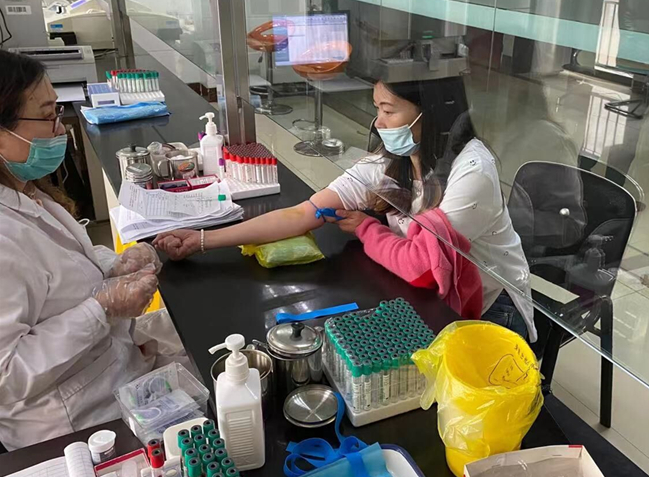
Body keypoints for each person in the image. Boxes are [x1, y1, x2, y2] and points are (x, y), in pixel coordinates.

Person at [155, 76, 536, 341]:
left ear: (430, 113)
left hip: (488, 309)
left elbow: (421, 264)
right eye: (377, 109)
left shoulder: (471, 172)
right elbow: (301, 214)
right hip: (432, 296)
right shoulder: (390, 162)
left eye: (389, 111)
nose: (378, 122)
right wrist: (202, 240)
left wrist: (369, 229)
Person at [0, 50, 171, 450]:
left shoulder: (22, 190)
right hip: (76, 422)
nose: (60, 129)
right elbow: (7, 374)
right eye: (47, 116)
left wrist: (114, 264)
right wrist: (103, 307)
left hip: (110, 367)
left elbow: (56, 269)